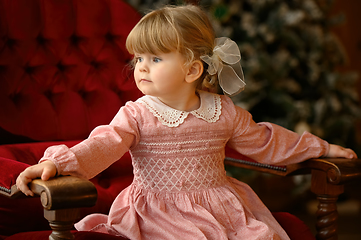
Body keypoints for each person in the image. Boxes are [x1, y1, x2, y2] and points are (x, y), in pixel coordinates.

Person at [16, 4, 357, 240]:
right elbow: (101, 146)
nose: (141, 67)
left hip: (223, 205)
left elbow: (267, 141)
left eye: (155, 57)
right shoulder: (137, 114)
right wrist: (57, 164)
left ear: (193, 69)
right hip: (158, 210)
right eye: (138, 58)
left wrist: (322, 147)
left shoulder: (223, 111)